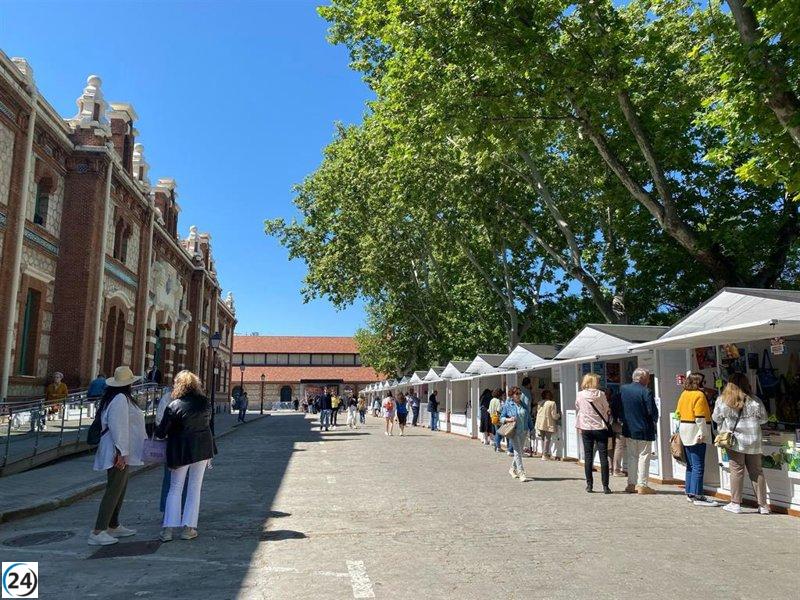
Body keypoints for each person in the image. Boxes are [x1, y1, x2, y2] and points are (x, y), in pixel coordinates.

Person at [88, 366, 146, 546]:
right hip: (117, 451)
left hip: (119, 449)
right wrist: (121, 452)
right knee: (114, 489)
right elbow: (118, 426)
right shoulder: (120, 399)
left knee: (119, 488)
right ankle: (98, 530)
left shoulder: (116, 398)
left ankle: (113, 524)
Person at [155, 370, 216, 542]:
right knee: (194, 488)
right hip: (202, 449)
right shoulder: (205, 403)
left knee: (175, 488)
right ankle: (188, 528)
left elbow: (161, 432)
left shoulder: (173, 405)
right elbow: (208, 424)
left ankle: (168, 530)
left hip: (180, 450)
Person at [712, 373, 769, 514]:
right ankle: (763, 506)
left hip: (735, 441)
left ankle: (735, 503)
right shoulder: (755, 400)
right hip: (754, 440)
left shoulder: (722, 400)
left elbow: (715, 418)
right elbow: (764, 419)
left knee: (736, 471)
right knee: (757, 472)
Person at [677, 372, 720, 507]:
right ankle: (697, 495)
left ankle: (690, 492)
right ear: (699, 382)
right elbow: (700, 416)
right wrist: (703, 432)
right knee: (698, 465)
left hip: (685, 428)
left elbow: (678, 412)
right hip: (696, 430)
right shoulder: (699, 395)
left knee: (690, 464)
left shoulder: (684, 393)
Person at [619, 368, 658, 495]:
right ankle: (642, 485)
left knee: (631, 456)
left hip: (629, 428)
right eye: (647, 378)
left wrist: (621, 418)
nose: (648, 380)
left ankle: (631, 483)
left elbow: (616, 405)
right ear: (641, 378)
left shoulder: (623, 389)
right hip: (644, 429)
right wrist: (654, 419)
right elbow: (651, 411)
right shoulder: (646, 391)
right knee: (644, 456)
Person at [575, 373, 612, 494]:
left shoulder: (580, 394)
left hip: (586, 428)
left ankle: (589, 485)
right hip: (600, 428)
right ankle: (605, 486)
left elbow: (577, 407)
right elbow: (607, 409)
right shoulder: (601, 394)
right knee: (603, 457)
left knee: (588, 456)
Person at [157, 386, 187, 514]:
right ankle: (182, 509)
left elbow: (159, 420)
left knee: (170, 478)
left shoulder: (167, 398)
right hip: (187, 444)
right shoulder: (194, 400)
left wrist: (165, 433)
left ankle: (167, 509)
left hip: (171, 442)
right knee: (185, 479)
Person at [500, 386, 533, 482]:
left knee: (520, 452)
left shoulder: (523, 405)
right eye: (517, 393)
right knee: (518, 452)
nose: (519, 395)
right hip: (514, 431)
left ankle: (512, 469)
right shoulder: (508, 405)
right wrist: (508, 419)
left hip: (524, 430)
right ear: (512, 395)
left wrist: (532, 428)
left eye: (520, 393)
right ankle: (521, 472)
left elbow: (528, 417)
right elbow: (501, 418)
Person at [535, 390, 560, 460]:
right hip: (548, 423)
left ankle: (544, 453)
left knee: (543, 439)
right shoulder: (552, 403)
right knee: (547, 439)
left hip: (540, 423)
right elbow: (554, 415)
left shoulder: (540, 402)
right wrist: (559, 415)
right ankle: (545, 454)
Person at [608, 387, 626, 476]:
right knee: (619, 447)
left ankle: (610, 468)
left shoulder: (615, 398)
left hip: (612, 424)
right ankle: (616, 470)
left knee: (610, 447)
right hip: (620, 425)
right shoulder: (625, 398)